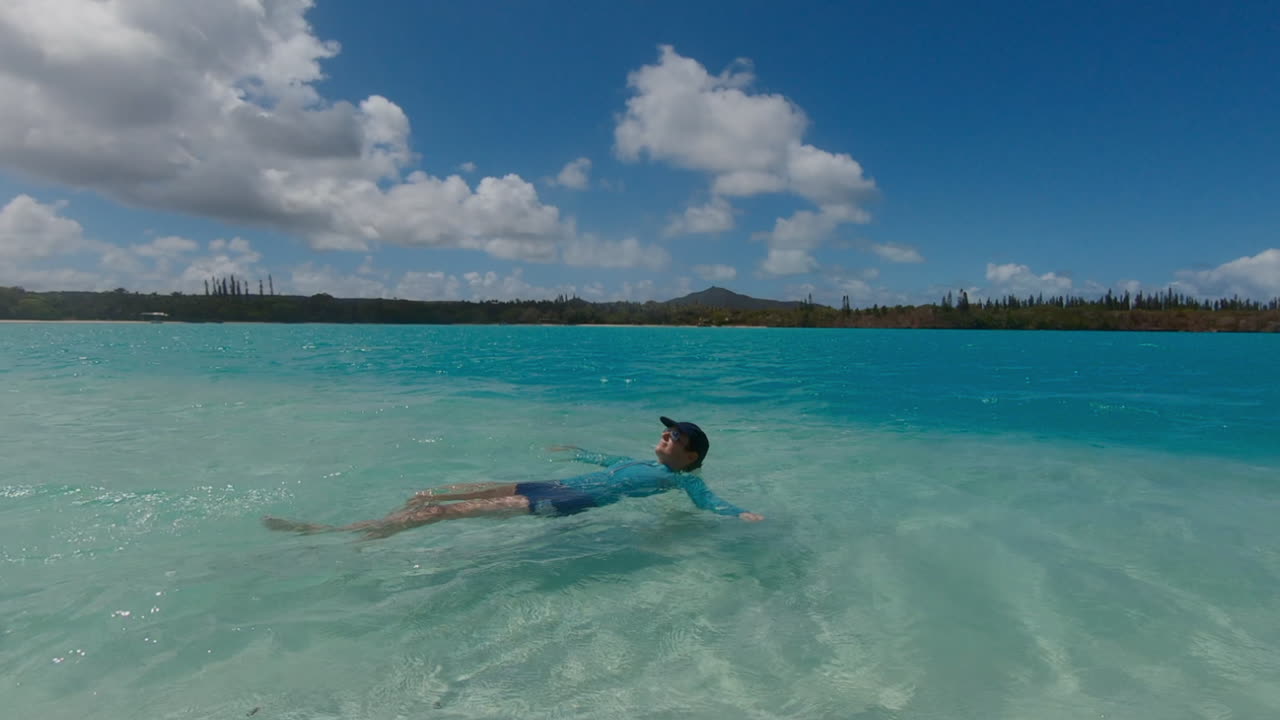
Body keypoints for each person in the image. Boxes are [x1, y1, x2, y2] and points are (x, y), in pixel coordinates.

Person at [263, 416, 764, 540]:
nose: (665, 437)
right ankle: (382, 526)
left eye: (674, 436)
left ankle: (337, 532)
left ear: (690, 453)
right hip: (549, 482)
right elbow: (604, 458)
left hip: (567, 502)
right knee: (436, 493)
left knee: (442, 512)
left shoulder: (682, 481)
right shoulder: (649, 464)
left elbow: (709, 502)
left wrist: (739, 513)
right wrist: (578, 450)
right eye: (666, 431)